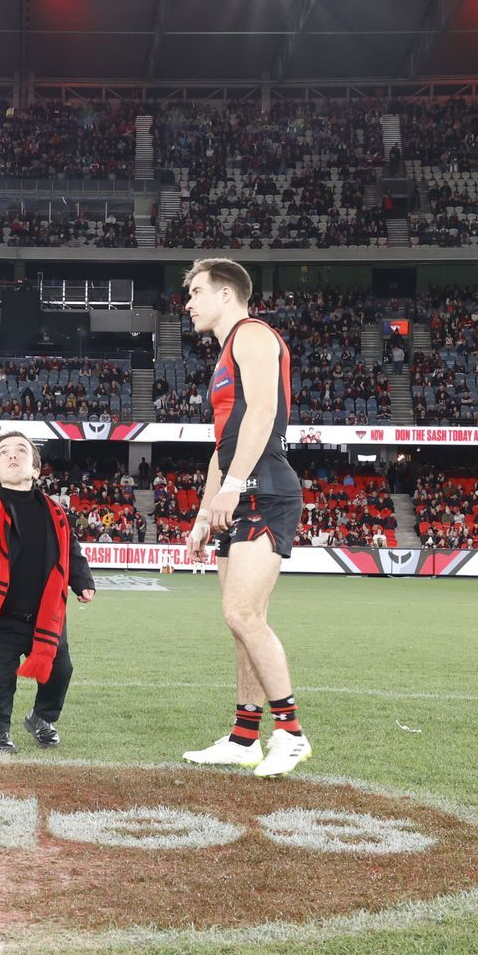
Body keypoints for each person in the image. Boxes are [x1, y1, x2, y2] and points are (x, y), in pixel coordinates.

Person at [177, 257, 311, 778]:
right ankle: (243, 738)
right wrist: (203, 514)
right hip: (242, 490)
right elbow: (221, 447)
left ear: (226, 294)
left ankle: (292, 734)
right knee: (239, 624)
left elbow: (261, 415)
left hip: (268, 491)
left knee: (244, 615)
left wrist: (234, 487)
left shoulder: (253, 335)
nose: (188, 303)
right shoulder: (225, 355)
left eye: (195, 292)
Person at [0, 432, 95, 752]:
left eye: (21, 450)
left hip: (47, 615)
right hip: (4, 614)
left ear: (35, 469)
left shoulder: (57, 513)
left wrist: (83, 580)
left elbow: (71, 552)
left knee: (61, 670)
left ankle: (42, 718)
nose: (12, 455)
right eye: (4, 452)